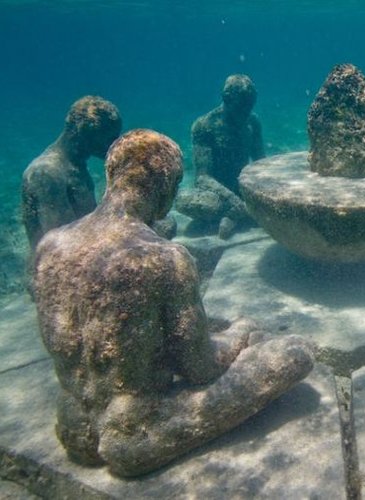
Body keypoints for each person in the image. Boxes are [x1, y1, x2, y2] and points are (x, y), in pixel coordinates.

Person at [33, 129, 313, 477]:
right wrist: (241, 334)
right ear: (166, 186)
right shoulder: (163, 258)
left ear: (110, 174)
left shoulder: (51, 246)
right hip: (136, 428)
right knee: (294, 353)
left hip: (74, 421)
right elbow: (201, 367)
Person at [21, 96, 122, 255]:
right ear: (87, 131)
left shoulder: (75, 166)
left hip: (82, 258)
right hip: (65, 268)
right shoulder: (46, 172)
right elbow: (61, 245)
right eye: (110, 137)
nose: (115, 144)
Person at [176, 74, 265, 238]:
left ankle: (234, 216)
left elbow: (261, 165)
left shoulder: (253, 122)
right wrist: (235, 201)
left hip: (242, 189)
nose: (246, 112)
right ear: (226, 99)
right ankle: (237, 214)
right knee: (184, 201)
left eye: (250, 106)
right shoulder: (204, 126)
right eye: (241, 107)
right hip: (216, 195)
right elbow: (202, 178)